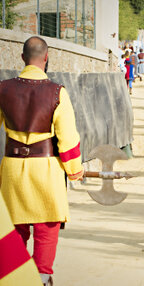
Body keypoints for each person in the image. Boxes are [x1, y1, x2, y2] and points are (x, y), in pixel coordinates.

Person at [0, 36, 84, 286]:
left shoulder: (3, 89)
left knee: (14, 228)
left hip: (12, 169)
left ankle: (12, 277)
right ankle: (42, 278)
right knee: (47, 227)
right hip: (46, 170)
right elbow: (67, 139)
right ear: (46, 58)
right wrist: (75, 170)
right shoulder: (57, 92)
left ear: (23, 58)